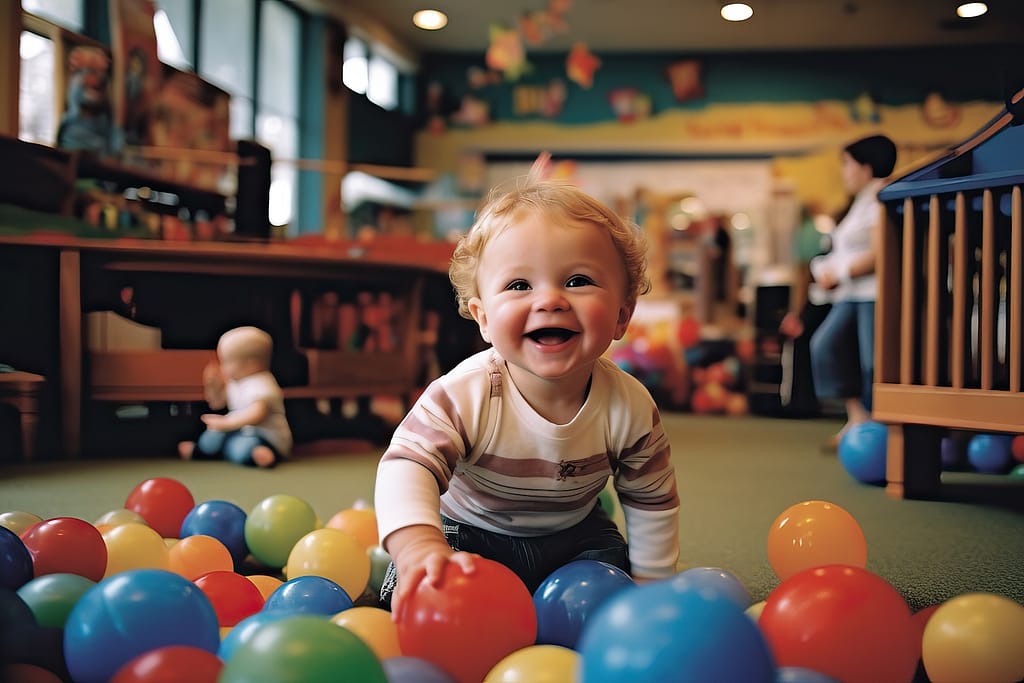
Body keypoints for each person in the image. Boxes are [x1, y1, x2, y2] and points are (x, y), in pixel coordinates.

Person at [374, 157, 680, 614]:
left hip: (574, 537)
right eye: (519, 284)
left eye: (578, 281)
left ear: (622, 315)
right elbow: (406, 466)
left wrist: (653, 583)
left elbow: (651, 497)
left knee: (611, 590)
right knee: (430, 591)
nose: (550, 300)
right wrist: (419, 545)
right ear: (483, 319)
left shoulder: (630, 406)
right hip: (470, 532)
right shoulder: (466, 393)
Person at [779, 134, 897, 451]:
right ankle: (858, 419)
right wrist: (827, 269)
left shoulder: (878, 198)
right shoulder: (858, 203)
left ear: (866, 166)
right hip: (850, 294)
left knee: (874, 364)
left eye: (847, 164)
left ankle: (880, 429)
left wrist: (839, 272)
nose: (843, 172)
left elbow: (879, 254)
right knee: (825, 346)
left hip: (872, 294)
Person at [178, 326, 292, 467]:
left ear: (251, 364)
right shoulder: (235, 382)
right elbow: (218, 403)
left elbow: (258, 414)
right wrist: (213, 386)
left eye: (227, 362)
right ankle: (200, 450)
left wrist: (227, 424)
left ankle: (258, 453)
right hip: (240, 431)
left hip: (266, 437)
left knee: (241, 445)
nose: (223, 367)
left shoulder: (262, 382)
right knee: (213, 434)